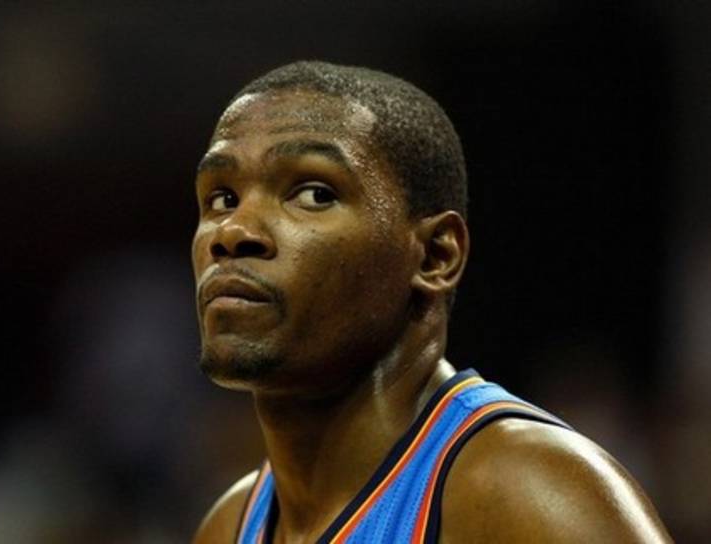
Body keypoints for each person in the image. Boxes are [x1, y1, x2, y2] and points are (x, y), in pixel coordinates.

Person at [191, 61, 670, 543]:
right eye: (223, 198)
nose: (233, 231)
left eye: (314, 194)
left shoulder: (529, 496)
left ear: (436, 255)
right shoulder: (228, 526)